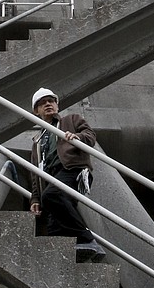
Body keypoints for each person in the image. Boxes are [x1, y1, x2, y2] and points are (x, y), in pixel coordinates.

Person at [28, 88, 106, 262]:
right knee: (55, 226)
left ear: (57, 105)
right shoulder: (37, 141)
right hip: (50, 178)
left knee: (52, 195)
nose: (48, 104)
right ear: (36, 111)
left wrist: (77, 137)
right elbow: (35, 172)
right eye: (42, 103)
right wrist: (34, 198)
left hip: (72, 169)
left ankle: (88, 240)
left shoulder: (71, 120)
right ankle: (74, 260)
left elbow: (90, 135)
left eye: (51, 101)